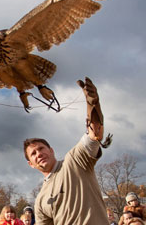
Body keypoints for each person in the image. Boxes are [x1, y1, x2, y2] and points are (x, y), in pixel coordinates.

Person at [24, 77, 109, 224]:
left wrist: (92, 104)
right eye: (33, 153)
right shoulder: (40, 201)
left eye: (41, 149)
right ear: (30, 164)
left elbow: (95, 134)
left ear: (51, 150)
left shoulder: (75, 161)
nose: (39, 154)